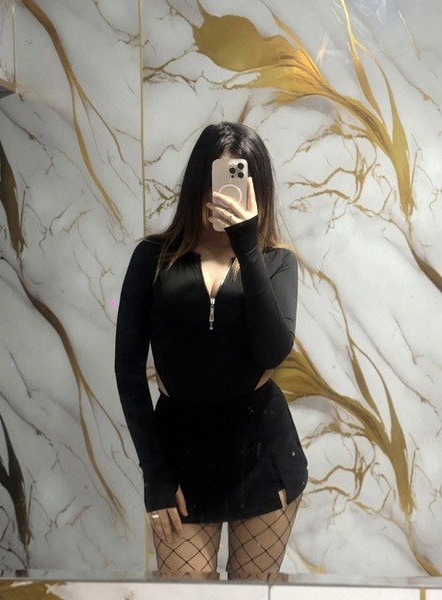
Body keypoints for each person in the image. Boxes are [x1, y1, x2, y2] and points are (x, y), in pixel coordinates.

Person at [115, 122, 308, 578]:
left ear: (256, 190)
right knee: (186, 591)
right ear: (196, 181)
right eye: (213, 179)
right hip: (180, 455)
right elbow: (128, 371)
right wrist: (154, 474)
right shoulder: (152, 258)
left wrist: (247, 244)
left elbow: (272, 352)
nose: (219, 194)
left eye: (235, 181)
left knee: (252, 592)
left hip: (262, 452)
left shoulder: (276, 261)